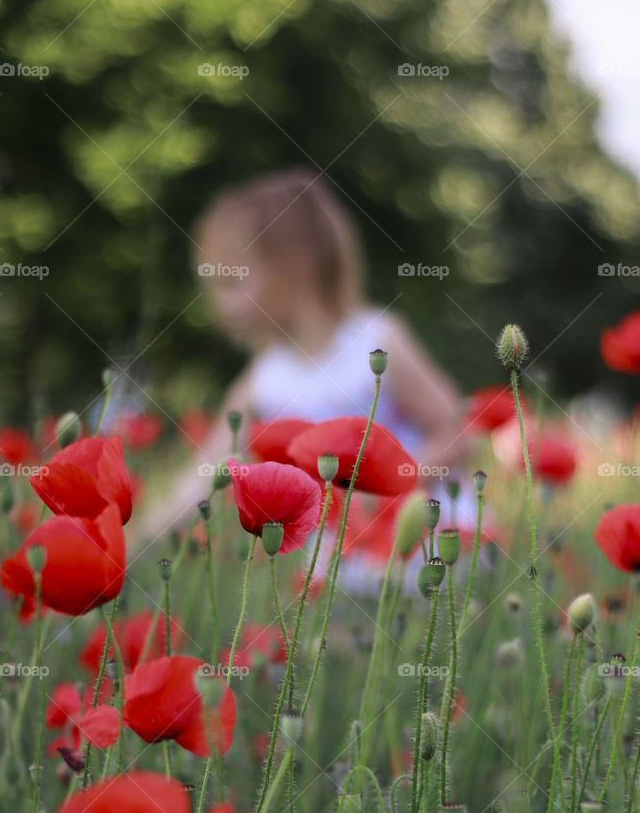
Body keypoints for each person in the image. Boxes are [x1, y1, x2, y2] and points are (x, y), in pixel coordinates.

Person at [135, 167, 484, 568]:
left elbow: (458, 430)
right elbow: (203, 474)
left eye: (230, 284)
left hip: (424, 544)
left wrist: (386, 490)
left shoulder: (377, 342)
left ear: (291, 268)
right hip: (338, 556)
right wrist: (137, 541)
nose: (219, 305)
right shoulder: (263, 377)